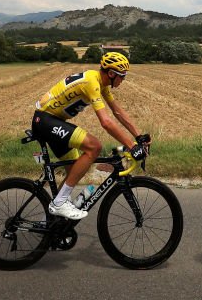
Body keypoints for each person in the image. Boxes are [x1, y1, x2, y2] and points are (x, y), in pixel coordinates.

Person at [31, 51, 149, 220]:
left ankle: (54, 220)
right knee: (94, 147)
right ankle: (59, 203)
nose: (123, 80)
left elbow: (117, 111)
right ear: (111, 73)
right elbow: (106, 122)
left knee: (74, 170)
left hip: (53, 121)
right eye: (122, 76)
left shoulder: (102, 84)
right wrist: (131, 146)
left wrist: (139, 137)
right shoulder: (91, 82)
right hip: (45, 120)